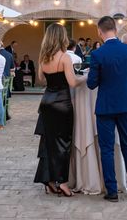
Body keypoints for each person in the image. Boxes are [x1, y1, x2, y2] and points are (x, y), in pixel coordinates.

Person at [86, 16, 127, 202]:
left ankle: (111, 191)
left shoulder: (98, 54)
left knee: (107, 149)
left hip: (106, 106)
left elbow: (92, 84)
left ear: (99, 32)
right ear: (116, 30)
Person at [34, 23, 86, 197]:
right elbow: (72, 83)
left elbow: (40, 80)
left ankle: (48, 180)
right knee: (63, 144)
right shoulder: (64, 57)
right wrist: (85, 77)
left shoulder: (43, 57)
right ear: (61, 37)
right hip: (62, 104)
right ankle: (62, 182)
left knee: (48, 143)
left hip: (46, 103)